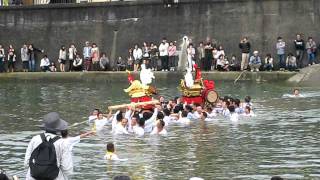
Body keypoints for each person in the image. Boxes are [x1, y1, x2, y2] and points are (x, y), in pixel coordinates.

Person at [24, 112, 73, 180]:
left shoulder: (34, 139)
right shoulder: (63, 143)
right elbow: (67, 169)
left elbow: (26, 163)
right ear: (59, 128)